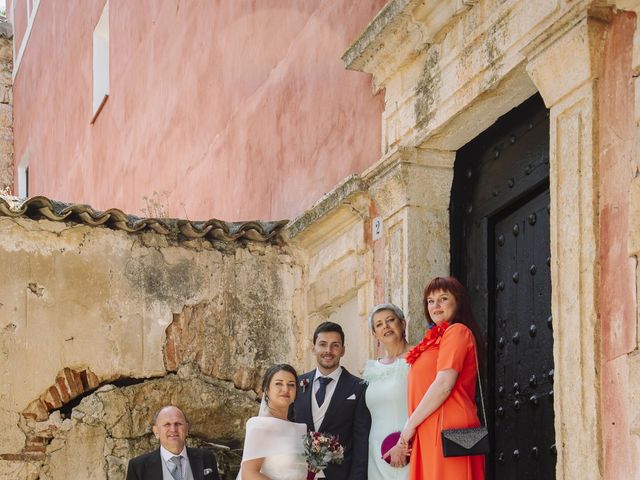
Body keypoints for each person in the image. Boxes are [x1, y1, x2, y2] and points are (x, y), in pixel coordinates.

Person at [400, 276, 485, 480]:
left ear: (458, 302)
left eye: (443, 298)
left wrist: (409, 426)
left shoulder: (457, 331)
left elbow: (444, 384)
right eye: (430, 301)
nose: (435, 306)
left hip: (448, 428)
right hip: (430, 426)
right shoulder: (435, 339)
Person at [294, 321, 371, 480]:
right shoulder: (296, 384)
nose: (328, 351)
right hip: (298, 474)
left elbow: (361, 442)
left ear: (343, 350)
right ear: (313, 348)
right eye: (323, 344)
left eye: (335, 345)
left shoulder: (358, 388)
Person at [363, 303, 411, 480]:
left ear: (403, 324)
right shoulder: (371, 369)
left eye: (391, 320)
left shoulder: (418, 357)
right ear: (375, 334)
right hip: (377, 452)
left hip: (409, 447)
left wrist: (404, 442)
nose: (386, 326)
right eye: (379, 324)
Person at [238, 363, 308, 480]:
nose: (285, 389)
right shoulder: (259, 427)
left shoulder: (300, 430)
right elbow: (249, 475)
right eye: (278, 383)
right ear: (266, 389)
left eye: (291, 385)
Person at [126, 405, 220, 480]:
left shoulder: (207, 458)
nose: (173, 429)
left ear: (186, 429)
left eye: (178, 424)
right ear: (156, 432)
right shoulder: (138, 467)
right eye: (167, 424)